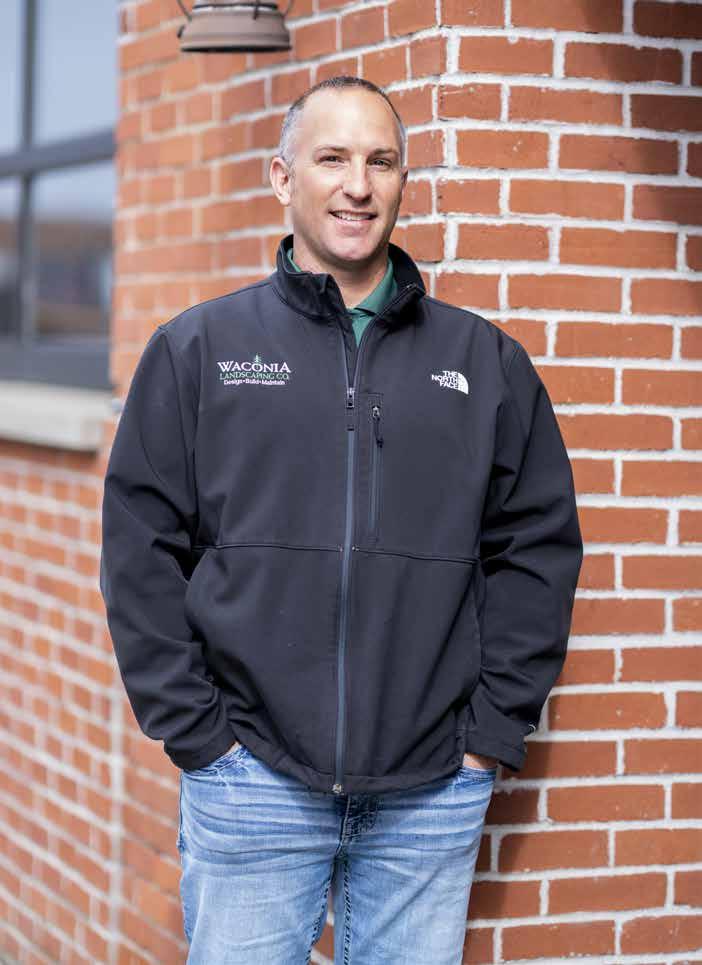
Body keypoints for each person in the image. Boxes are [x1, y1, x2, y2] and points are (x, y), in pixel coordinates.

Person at [99, 75, 583, 964]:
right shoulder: (200, 350)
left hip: (430, 792)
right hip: (251, 781)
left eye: (380, 161)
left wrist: (487, 739)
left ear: (402, 182)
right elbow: (139, 549)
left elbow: (538, 551)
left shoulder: (484, 363)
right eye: (332, 158)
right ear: (283, 178)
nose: (358, 185)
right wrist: (202, 738)